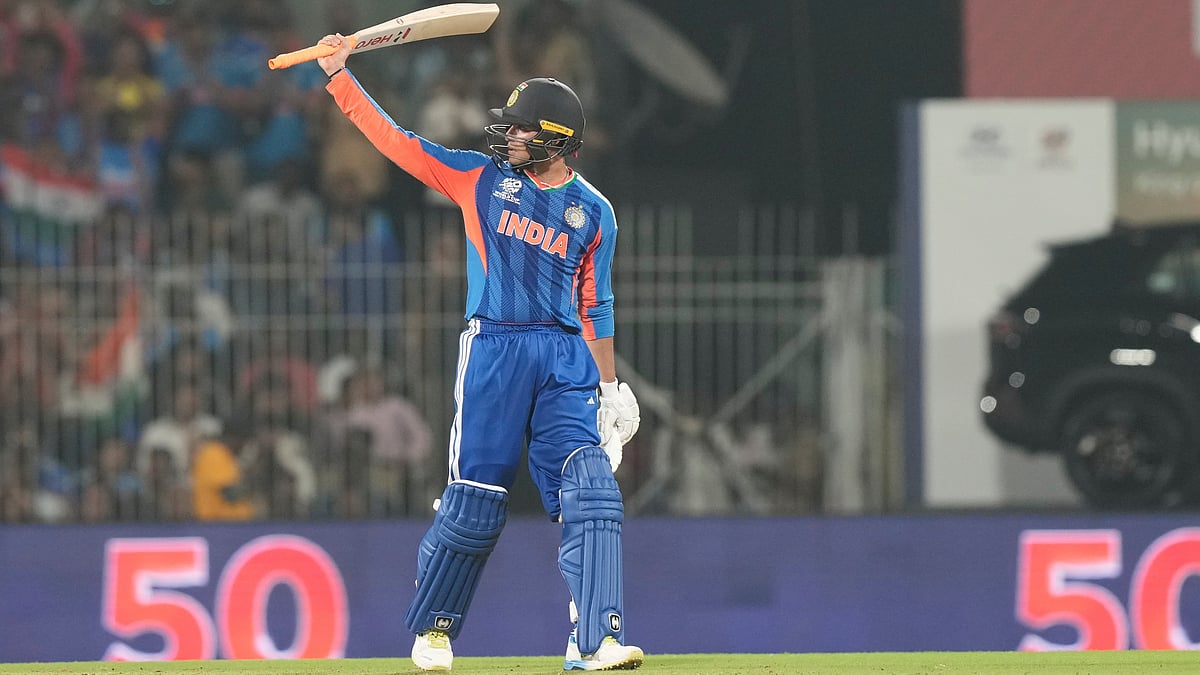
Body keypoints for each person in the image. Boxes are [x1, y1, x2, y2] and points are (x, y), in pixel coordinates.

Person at [316, 34, 644, 672]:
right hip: (493, 346)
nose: (508, 138)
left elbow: (595, 305)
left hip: (563, 358)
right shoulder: (480, 177)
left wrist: (609, 388)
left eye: (522, 131)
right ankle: (433, 633)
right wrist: (339, 77)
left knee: (594, 490)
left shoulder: (595, 212)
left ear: (558, 139)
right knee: (476, 498)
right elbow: (398, 143)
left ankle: (596, 640)